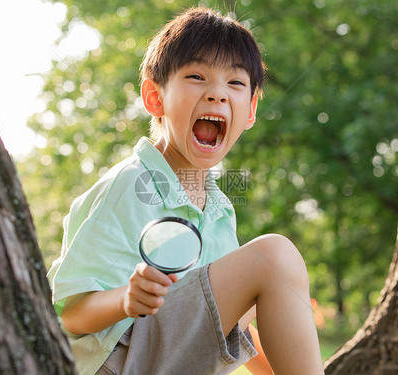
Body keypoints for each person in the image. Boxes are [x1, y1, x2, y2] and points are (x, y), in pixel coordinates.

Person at [47, 6, 324, 375]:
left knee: (269, 274)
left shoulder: (220, 209)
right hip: (115, 363)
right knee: (273, 257)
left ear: (252, 110)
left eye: (236, 83)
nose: (217, 94)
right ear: (154, 98)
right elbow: (69, 314)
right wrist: (125, 300)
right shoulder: (129, 185)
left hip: (162, 355)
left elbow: (226, 318)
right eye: (197, 76)